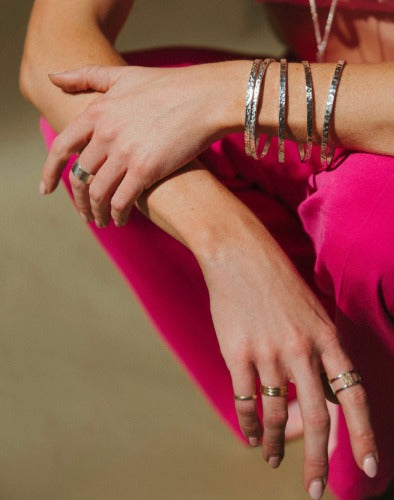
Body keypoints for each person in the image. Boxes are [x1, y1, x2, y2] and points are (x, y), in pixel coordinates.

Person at [20, 1, 393, 499]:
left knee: (363, 222)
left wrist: (222, 95)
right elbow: (50, 54)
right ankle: (314, 382)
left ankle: (368, 463)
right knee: (101, 140)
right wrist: (231, 244)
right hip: (324, 116)